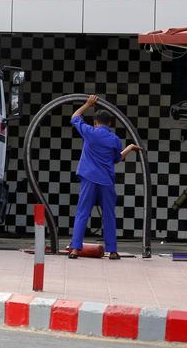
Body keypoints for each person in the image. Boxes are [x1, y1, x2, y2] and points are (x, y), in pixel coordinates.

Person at [68, 95, 141, 260]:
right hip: (106, 181)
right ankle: (113, 251)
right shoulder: (115, 140)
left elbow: (74, 117)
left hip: (89, 179)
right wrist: (129, 148)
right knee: (109, 215)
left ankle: (74, 249)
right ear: (110, 124)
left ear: (95, 122)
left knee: (82, 213)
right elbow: (116, 159)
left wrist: (88, 103)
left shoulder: (90, 132)